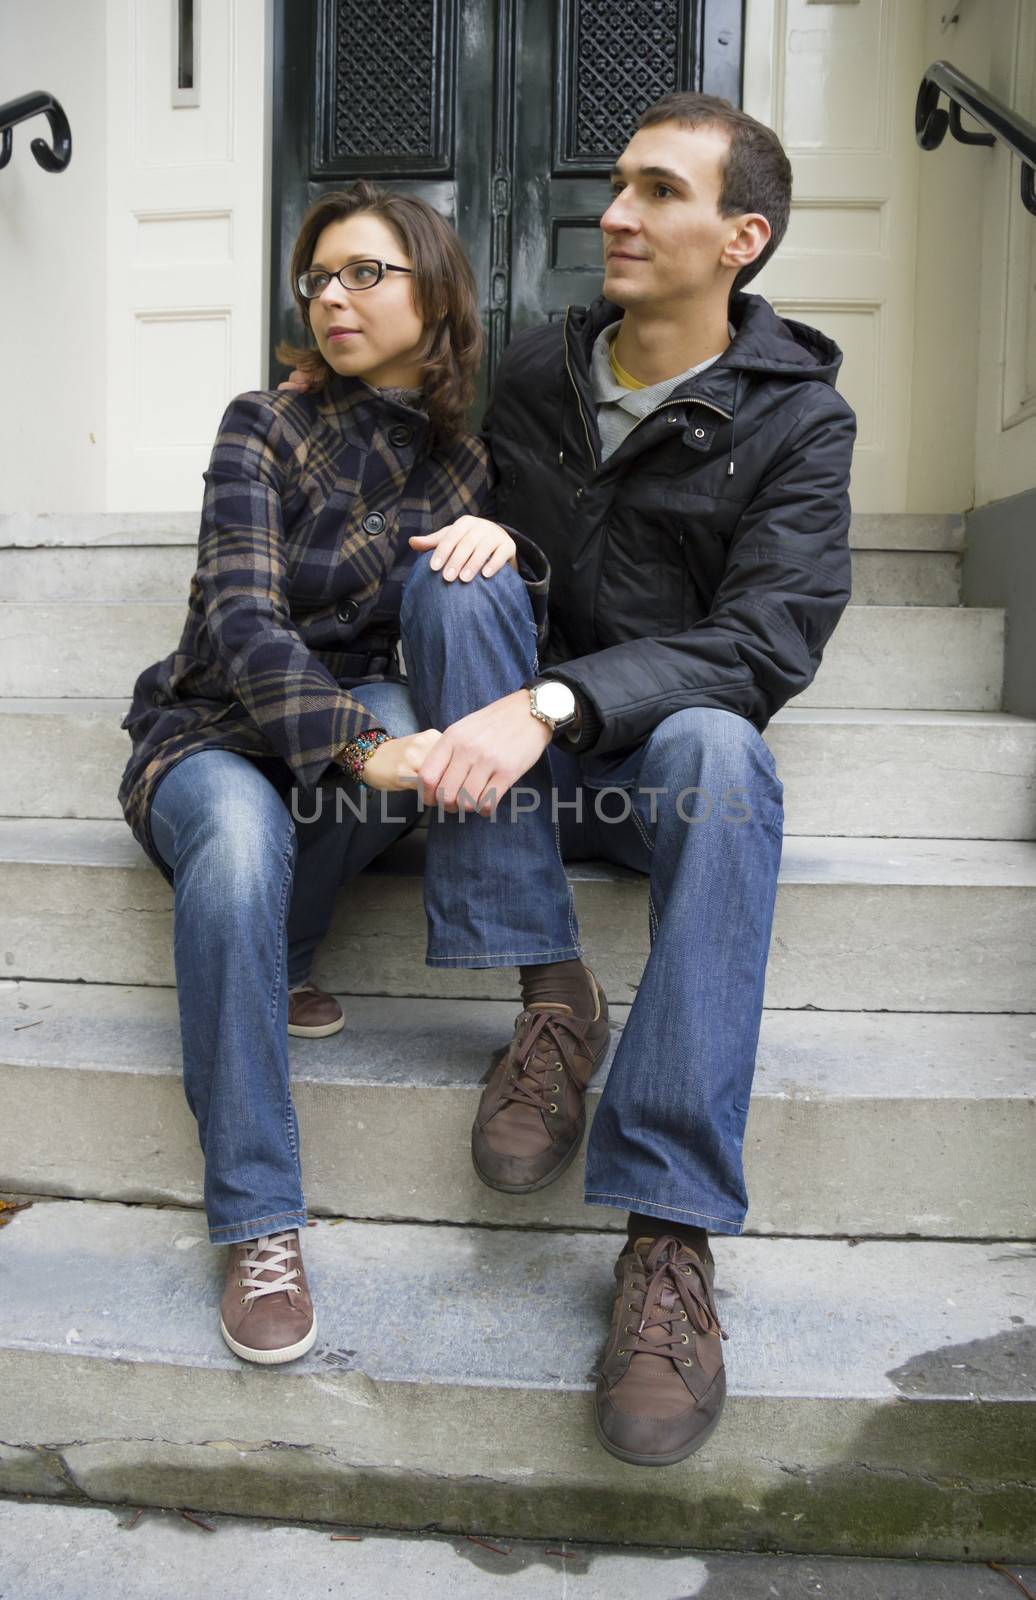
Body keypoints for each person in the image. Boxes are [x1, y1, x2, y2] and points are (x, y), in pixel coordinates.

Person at [382, 91, 856, 1466]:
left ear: (742, 238)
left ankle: (667, 1238)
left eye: (658, 192)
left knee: (726, 750)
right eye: (619, 186)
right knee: (455, 576)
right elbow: (465, 512)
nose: (617, 213)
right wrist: (474, 539)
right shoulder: (537, 369)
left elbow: (768, 642)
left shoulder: (801, 423)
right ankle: (551, 998)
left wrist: (563, 697)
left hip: (648, 768)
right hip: (518, 772)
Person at [117, 181, 548, 1366]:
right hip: (209, 730)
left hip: (347, 728)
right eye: (319, 277)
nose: (333, 296)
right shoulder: (261, 419)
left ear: (436, 288)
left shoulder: (467, 463)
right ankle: (259, 1223)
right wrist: (365, 746)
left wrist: (511, 543)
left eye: (367, 272)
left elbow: (517, 597)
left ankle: (287, 949)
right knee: (247, 838)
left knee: (429, 716)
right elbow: (243, 624)